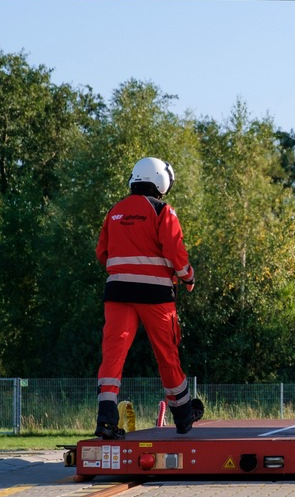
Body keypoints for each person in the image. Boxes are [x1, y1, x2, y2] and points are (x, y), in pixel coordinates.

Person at [94, 157, 203, 439]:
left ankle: (106, 418)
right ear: (161, 181)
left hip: (118, 292)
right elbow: (175, 251)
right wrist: (188, 276)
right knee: (167, 353)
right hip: (156, 295)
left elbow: (102, 253)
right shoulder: (162, 210)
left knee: (113, 354)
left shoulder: (114, 211)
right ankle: (183, 414)